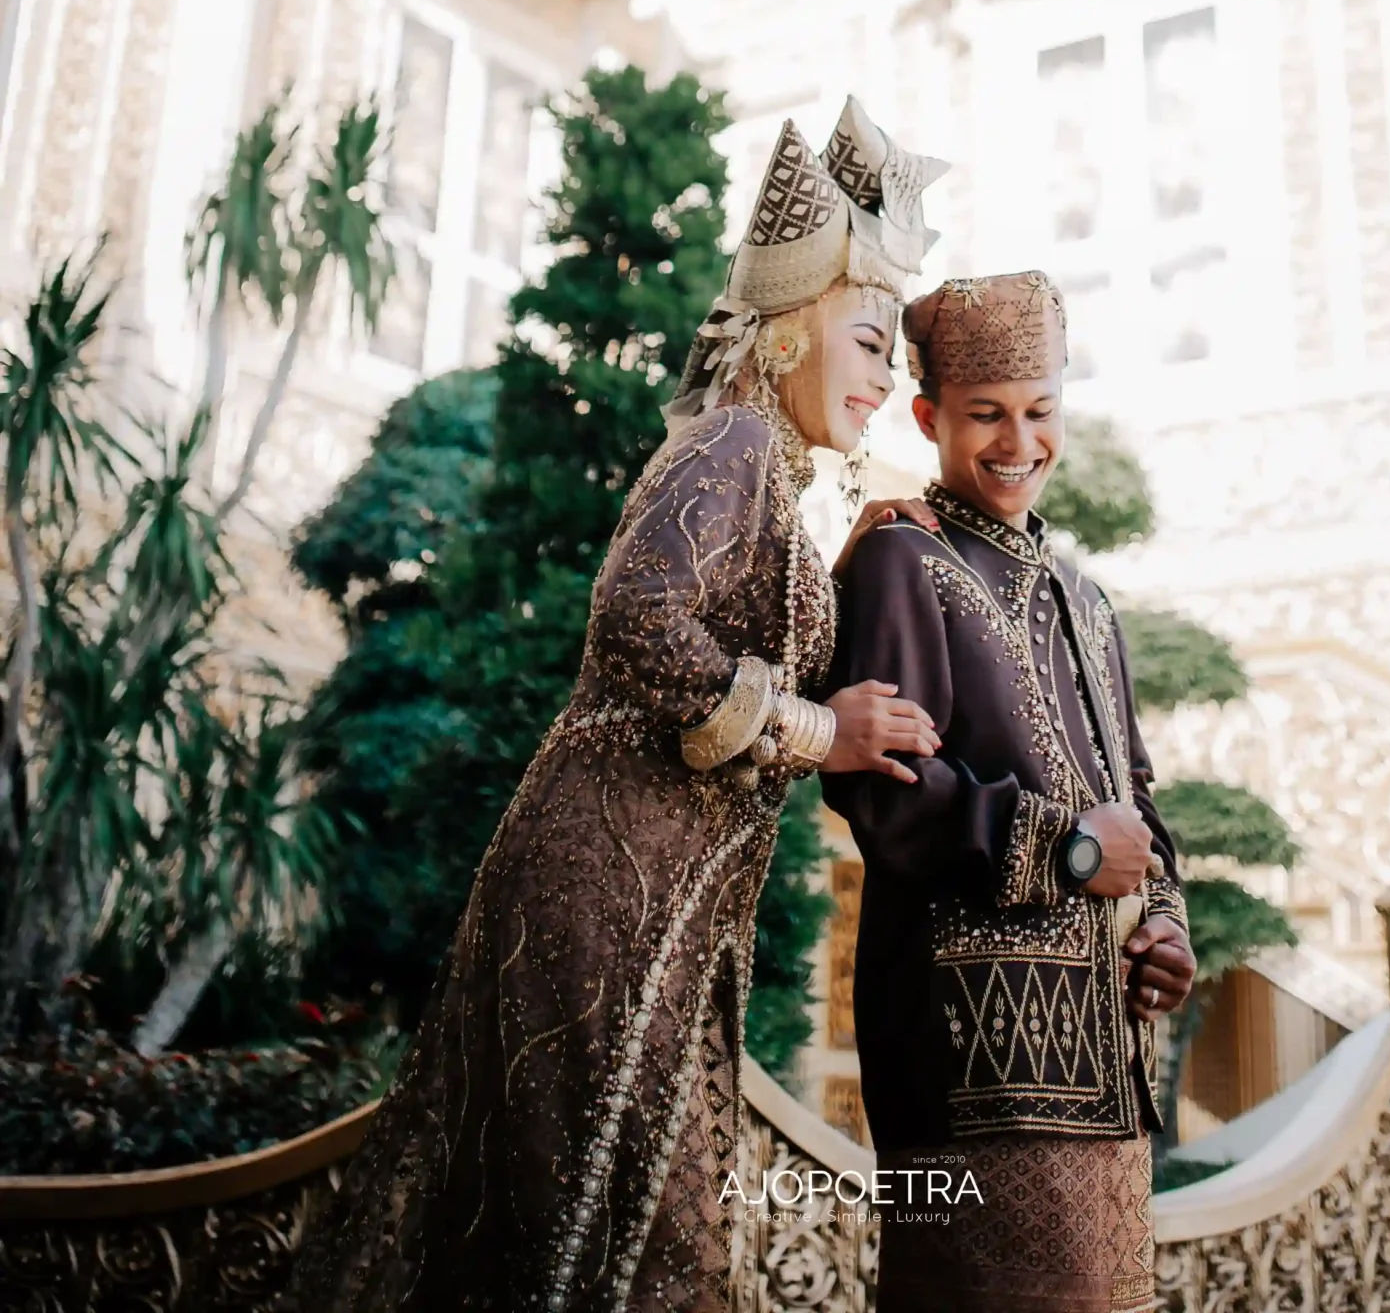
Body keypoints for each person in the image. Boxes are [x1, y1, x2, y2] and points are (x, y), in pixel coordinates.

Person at [295, 98, 947, 1313]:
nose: (885, 376)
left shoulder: (757, 466)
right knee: (615, 1240)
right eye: (869, 343)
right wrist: (823, 732)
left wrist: (857, 557)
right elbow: (638, 616)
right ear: (791, 333)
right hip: (606, 889)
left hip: (657, 901)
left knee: (618, 1233)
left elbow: (728, 635)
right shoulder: (733, 443)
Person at [821, 271, 1197, 1313]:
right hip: (972, 1052)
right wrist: (1071, 850)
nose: (1016, 440)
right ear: (929, 418)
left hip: (1108, 1050)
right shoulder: (901, 558)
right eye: (985, 413)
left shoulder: (1087, 598)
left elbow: (1137, 798)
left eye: (1039, 411)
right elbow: (888, 793)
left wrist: (1164, 923)